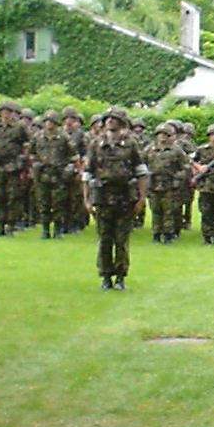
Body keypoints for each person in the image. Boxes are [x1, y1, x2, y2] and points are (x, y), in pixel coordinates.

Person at [83, 106, 147, 290]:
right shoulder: (96, 144)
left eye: (114, 118)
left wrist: (141, 198)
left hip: (125, 197)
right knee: (104, 239)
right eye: (108, 119)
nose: (110, 121)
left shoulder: (131, 144)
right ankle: (105, 276)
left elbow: (141, 172)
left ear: (122, 122)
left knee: (122, 240)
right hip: (102, 197)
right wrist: (86, 199)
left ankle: (120, 276)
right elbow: (87, 174)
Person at [0, 99, 31, 236]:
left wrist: (24, 167)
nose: (5, 114)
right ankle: (0, 225)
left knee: (13, 196)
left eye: (8, 111)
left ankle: (11, 225)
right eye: (3, 111)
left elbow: (26, 147)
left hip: (13, 167)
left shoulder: (19, 127)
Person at [30, 110, 75, 239]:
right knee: (43, 202)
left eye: (51, 122)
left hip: (58, 175)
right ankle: (45, 229)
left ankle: (57, 229)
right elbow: (32, 153)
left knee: (58, 203)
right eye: (46, 121)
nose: (49, 124)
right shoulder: (38, 136)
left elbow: (72, 155)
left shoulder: (64, 137)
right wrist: (35, 164)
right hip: (42, 174)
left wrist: (69, 169)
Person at [144, 123, 189, 243]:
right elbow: (142, 164)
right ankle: (156, 234)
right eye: (160, 134)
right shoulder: (149, 149)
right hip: (153, 184)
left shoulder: (176, 150)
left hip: (170, 185)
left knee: (169, 211)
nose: (162, 137)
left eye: (165, 134)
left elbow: (184, 167)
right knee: (155, 210)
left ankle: (168, 234)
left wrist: (178, 180)